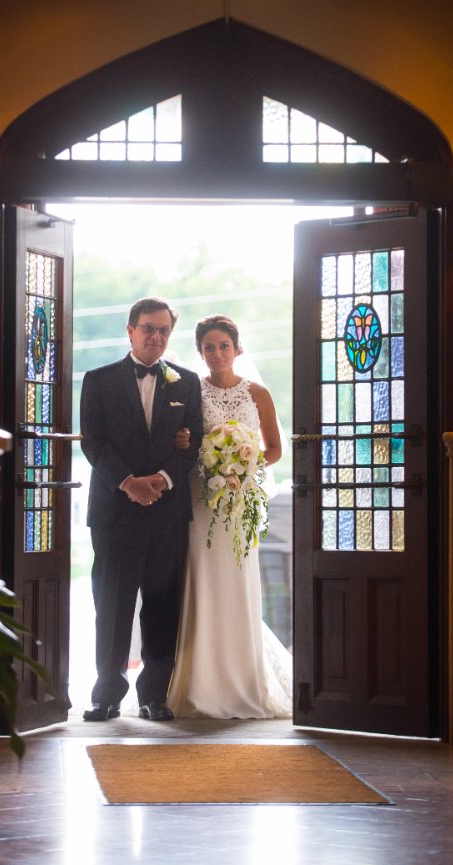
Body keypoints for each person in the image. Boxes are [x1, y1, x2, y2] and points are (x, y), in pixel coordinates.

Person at [80, 296, 203, 722]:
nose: (156, 336)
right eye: (148, 328)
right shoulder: (98, 380)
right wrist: (129, 483)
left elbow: (194, 442)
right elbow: (93, 443)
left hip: (167, 511)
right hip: (115, 511)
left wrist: (163, 480)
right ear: (130, 330)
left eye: (164, 330)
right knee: (112, 605)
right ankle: (106, 695)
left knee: (162, 604)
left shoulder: (186, 383)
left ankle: (154, 696)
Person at [167, 314, 293, 719]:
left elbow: (274, 448)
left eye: (224, 346)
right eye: (209, 347)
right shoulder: (191, 391)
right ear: (199, 351)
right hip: (200, 499)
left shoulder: (258, 393)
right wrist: (191, 447)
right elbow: (182, 440)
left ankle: (242, 680)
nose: (217, 353)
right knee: (201, 579)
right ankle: (198, 682)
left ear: (237, 349)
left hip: (239, 501)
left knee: (236, 579)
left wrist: (243, 467)